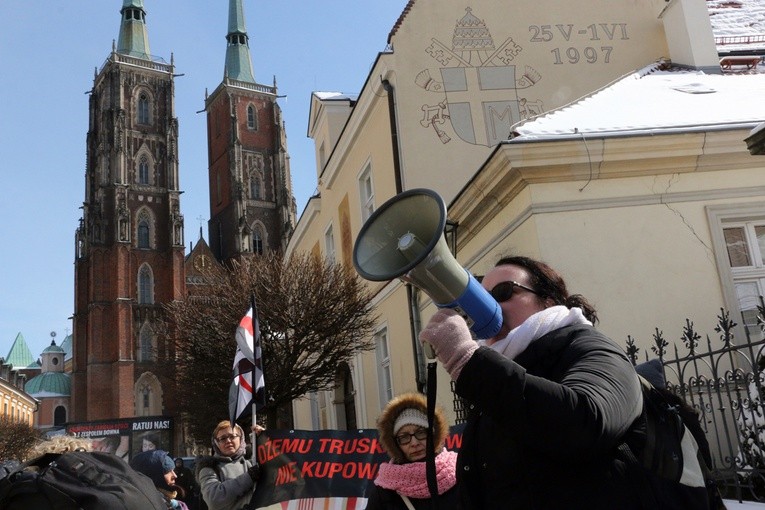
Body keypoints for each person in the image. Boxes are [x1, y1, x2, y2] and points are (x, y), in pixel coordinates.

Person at [419, 255, 644, 509]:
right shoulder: (496, 374)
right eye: (482, 297)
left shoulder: (590, 347)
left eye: (503, 292)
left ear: (547, 302)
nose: (489, 306)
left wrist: (469, 363)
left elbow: (587, 421)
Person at [366, 393, 459, 509]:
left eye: (421, 433)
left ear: (433, 434)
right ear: (395, 444)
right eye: (404, 437)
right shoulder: (385, 490)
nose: (414, 443)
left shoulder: (459, 471)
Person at [195, 421, 263, 510]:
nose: (228, 441)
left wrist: (265, 438)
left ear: (241, 438)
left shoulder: (253, 461)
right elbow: (214, 499)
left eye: (232, 436)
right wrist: (248, 478)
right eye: (223, 438)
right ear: (216, 443)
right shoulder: (209, 468)